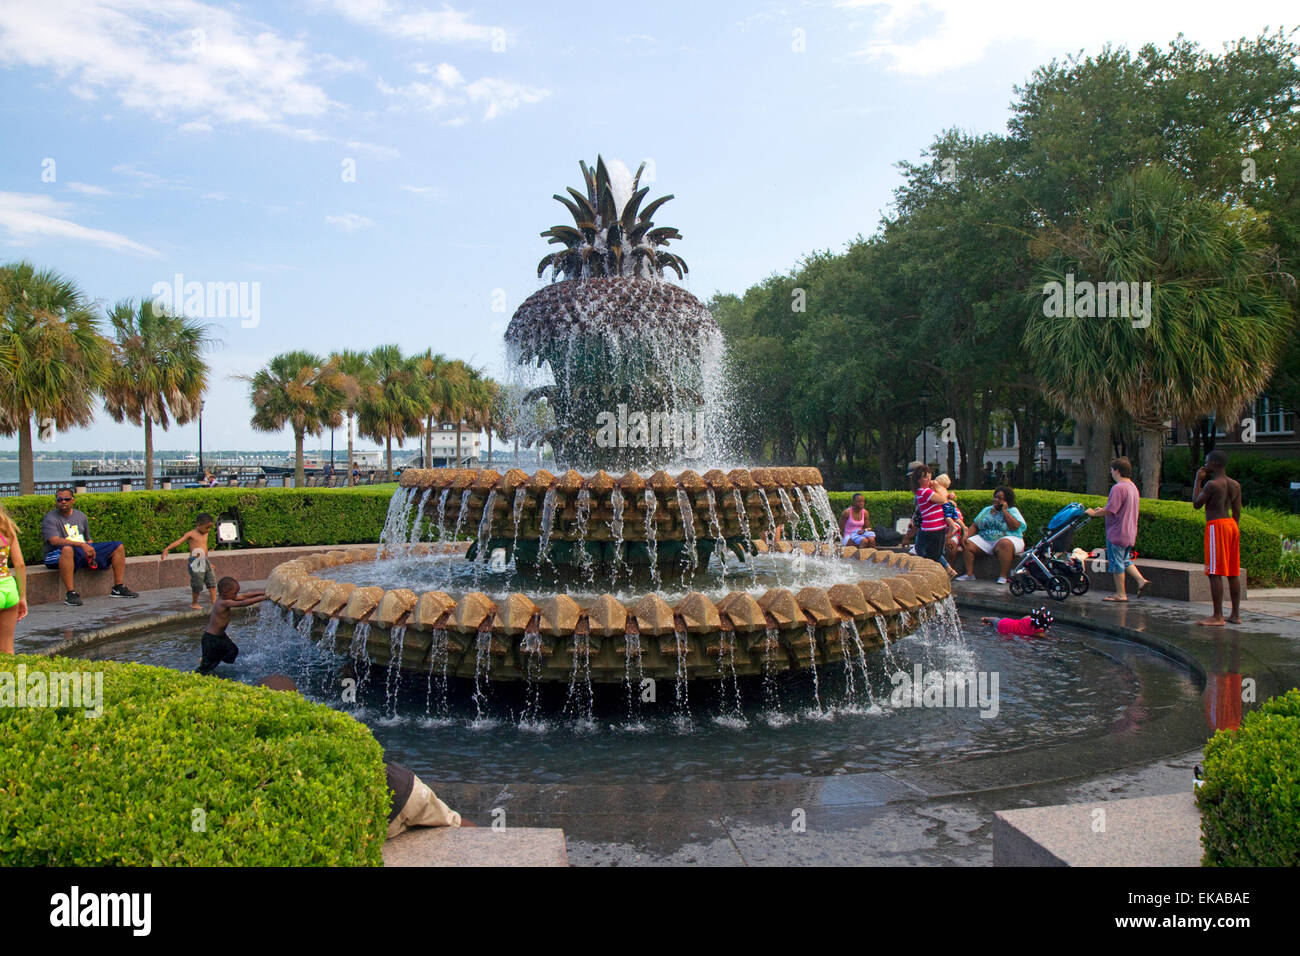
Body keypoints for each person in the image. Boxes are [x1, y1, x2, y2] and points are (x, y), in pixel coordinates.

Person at [255, 673, 468, 834]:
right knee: (452, 822)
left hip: (395, 793)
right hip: (393, 793)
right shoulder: (316, 730)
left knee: (451, 822)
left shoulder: (262, 749)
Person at [41, 489, 138, 606]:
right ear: (56, 502)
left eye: (66, 499)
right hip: (57, 553)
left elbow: (88, 539)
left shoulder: (80, 516)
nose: (63, 502)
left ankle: (118, 588)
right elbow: (54, 540)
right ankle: (70, 593)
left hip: (81, 549)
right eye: (59, 500)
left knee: (118, 546)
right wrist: (82, 545)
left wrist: (90, 549)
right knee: (67, 549)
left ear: (73, 500)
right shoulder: (50, 518)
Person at [1084, 457, 1150, 602]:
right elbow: (1119, 508)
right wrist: (1104, 509)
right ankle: (1141, 581)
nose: (1111, 473)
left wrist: (1094, 513)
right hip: (1129, 532)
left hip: (1117, 533)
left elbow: (1112, 510)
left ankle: (1121, 594)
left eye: (1112, 470)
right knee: (1125, 560)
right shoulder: (1133, 487)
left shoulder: (1118, 488)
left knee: (1116, 563)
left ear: (1117, 471)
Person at [1192, 450, 1242, 626]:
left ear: (1214, 464)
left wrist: (1198, 479)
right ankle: (1235, 615)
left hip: (1216, 527)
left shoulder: (1212, 485)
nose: (1205, 464)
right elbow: (1237, 511)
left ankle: (1217, 616)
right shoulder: (1235, 484)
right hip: (1231, 526)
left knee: (1214, 572)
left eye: (1207, 461)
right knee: (1233, 571)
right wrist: (1233, 529)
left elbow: (1196, 504)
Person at [196, 577, 268, 675]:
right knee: (206, 667)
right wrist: (263, 598)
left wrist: (262, 592)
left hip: (220, 636)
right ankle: (197, 674)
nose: (236, 595)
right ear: (226, 592)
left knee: (232, 651)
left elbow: (243, 596)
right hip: (211, 638)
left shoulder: (226, 598)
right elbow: (243, 602)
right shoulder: (223, 602)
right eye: (234, 593)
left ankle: (210, 658)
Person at [955, 485, 1025, 584]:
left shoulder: (1013, 511)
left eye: (1000, 498)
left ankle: (1003, 576)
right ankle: (969, 574)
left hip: (1008, 538)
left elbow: (1015, 526)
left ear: (1006, 501)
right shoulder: (987, 510)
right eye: (995, 497)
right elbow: (976, 526)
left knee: (1004, 544)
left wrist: (1004, 511)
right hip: (986, 539)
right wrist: (966, 535)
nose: (996, 500)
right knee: (967, 543)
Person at [160, 513, 218, 609]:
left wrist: (208, 563)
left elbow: (205, 548)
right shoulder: (191, 534)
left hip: (205, 560)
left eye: (210, 528)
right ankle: (194, 603)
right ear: (198, 525)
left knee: (212, 581)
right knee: (197, 582)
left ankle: (214, 601)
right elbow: (179, 541)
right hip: (195, 561)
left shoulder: (206, 533)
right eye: (207, 528)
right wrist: (167, 549)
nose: (208, 530)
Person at [0, 504, 28, 654]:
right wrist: (22, 597)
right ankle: (9, 677)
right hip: (10, 590)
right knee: (7, 649)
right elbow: (20, 565)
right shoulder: (7, 529)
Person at [910, 465, 949, 563]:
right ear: (919, 480)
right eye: (925, 477)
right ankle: (945, 571)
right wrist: (938, 486)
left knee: (932, 554)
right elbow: (943, 499)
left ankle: (947, 571)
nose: (928, 479)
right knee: (933, 554)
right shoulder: (925, 491)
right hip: (933, 528)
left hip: (933, 527)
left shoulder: (924, 491)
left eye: (928, 476)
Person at [933, 474, 964, 576]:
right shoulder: (937, 503)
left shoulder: (947, 504)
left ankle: (949, 570)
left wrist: (948, 537)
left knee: (951, 544)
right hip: (937, 533)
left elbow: (957, 523)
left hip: (950, 534)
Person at [980, 606, 1053, 638]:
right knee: (995, 626)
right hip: (1005, 630)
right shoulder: (1037, 632)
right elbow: (1044, 636)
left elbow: (1025, 618)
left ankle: (985, 619)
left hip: (1005, 622)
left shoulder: (1028, 618)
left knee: (994, 620)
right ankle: (987, 623)